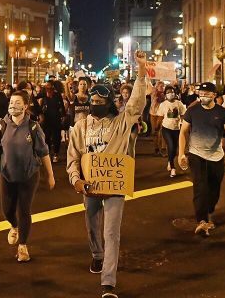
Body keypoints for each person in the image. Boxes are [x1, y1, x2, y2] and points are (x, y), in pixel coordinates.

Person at [67, 51, 148, 298]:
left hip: (114, 185)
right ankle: (97, 255)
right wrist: (76, 179)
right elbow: (73, 157)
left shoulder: (120, 123)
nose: (96, 107)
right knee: (92, 226)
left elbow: (136, 102)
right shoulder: (80, 127)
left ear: (110, 103)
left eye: (101, 103)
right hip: (89, 186)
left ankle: (108, 282)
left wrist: (141, 68)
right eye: (93, 103)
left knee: (111, 232)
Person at [0, 90, 55, 262]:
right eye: (11, 102)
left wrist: (50, 175)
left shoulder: (34, 127)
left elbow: (44, 153)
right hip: (6, 175)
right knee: (7, 209)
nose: (13, 105)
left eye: (17, 102)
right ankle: (14, 226)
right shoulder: (1, 125)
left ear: (26, 106)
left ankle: (23, 246)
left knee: (24, 210)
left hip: (29, 175)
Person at [178, 82, 225, 237]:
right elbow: (183, 131)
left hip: (216, 156)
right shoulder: (192, 111)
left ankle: (209, 207)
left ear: (214, 95)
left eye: (206, 94)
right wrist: (181, 153)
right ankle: (202, 220)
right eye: (201, 93)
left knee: (214, 187)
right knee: (200, 186)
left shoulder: (222, 112)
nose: (202, 96)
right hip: (196, 154)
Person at [157, 85, 186, 178]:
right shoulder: (163, 104)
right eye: (168, 92)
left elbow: (183, 115)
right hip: (166, 128)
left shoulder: (179, 103)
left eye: (172, 92)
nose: (171, 94)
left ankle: (170, 160)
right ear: (165, 94)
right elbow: (160, 116)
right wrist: (157, 126)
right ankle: (173, 167)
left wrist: (185, 125)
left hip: (177, 129)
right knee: (171, 145)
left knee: (174, 149)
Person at [40, 80, 66, 163]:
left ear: (52, 86)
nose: (47, 87)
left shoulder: (57, 94)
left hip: (56, 119)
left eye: (49, 86)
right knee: (46, 137)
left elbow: (61, 105)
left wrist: (63, 116)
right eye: (46, 86)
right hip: (47, 119)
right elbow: (39, 104)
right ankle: (47, 154)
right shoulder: (43, 94)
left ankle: (55, 154)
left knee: (56, 137)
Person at [149, 81, 166, 156]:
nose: (162, 87)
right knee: (155, 132)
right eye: (161, 86)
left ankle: (162, 149)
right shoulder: (154, 93)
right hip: (153, 114)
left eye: (163, 86)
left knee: (161, 132)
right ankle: (156, 149)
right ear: (157, 86)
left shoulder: (164, 95)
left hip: (161, 115)